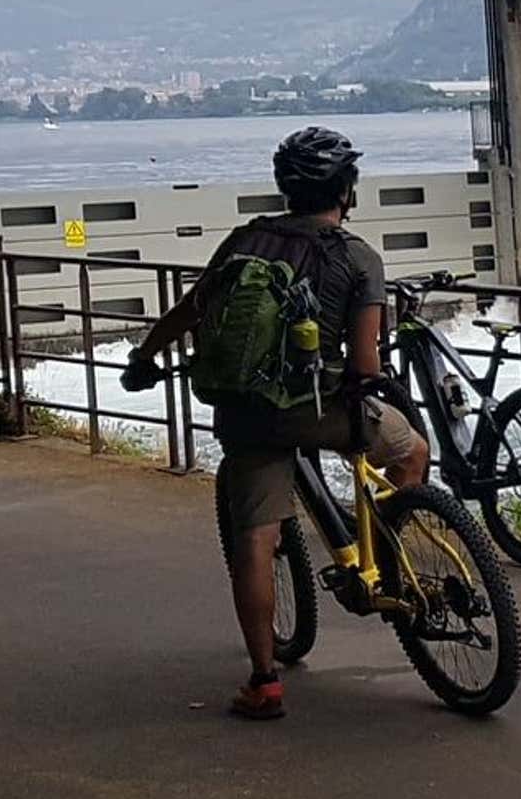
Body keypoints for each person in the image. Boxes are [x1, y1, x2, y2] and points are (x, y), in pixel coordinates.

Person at [121, 126, 428, 721]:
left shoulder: (245, 241)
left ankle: (264, 683)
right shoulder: (359, 257)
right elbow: (365, 366)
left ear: (286, 188)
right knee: (411, 450)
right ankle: (387, 554)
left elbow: (191, 309)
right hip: (326, 413)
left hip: (249, 416)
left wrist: (144, 357)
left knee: (255, 540)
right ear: (347, 190)